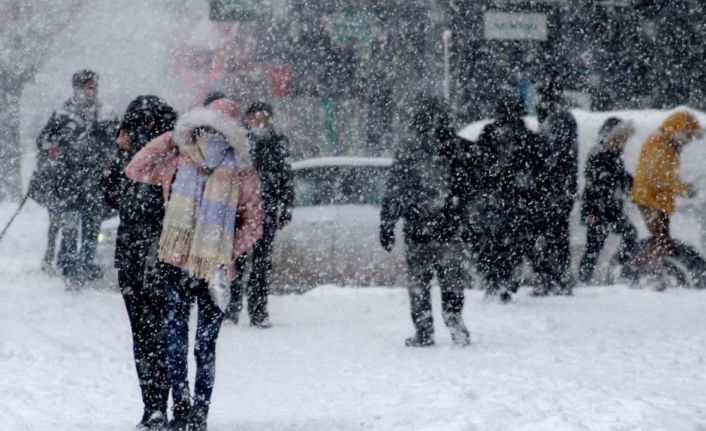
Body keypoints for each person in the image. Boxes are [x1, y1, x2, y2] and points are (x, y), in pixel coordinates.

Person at [126, 98, 264, 431]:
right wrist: (228, 251)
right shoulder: (230, 169)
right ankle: (196, 413)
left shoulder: (179, 161)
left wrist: (172, 138)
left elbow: (136, 166)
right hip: (206, 269)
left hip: (186, 265)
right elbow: (254, 223)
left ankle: (185, 410)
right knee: (203, 345)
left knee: (180, 342)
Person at [101, 95, 177, 430]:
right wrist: (118, 152)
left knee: (153, 335)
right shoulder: (135, 159)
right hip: (141, 257)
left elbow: (109, 196)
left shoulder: (172, 157)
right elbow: (107, 196)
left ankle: (159, 405)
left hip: (157, 255)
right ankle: (156, 405)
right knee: (151, 335)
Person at [380, 97, 473, 347]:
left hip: (418, 228)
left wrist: (387, 224)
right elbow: (471, 189)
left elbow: (395, 191)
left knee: (419, 283)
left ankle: (424, 329)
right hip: (450, 228)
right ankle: (454, 320)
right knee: (451, 280)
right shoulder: (458, 148)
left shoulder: (408, 151)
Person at [31, 69, 118, 283]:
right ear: (76, 88)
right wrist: (54, 147)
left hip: (94, 182)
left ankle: (85, 266)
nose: (91, 91)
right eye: (88, 86)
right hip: (66, 182)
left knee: (91, 229)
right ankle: (70, 267)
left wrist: (108, 159)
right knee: (69, 227)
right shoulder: (62, 114)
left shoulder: (106, 113)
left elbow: (117, 144)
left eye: (94, 86)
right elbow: (43, 141)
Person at [227, 102, 293, 328]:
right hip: (242, 211)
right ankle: (231, 308)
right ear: (247, 119)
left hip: (267, 209)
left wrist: (285, 209)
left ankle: (258, 311)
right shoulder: (239, 142)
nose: (261, 123)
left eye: (266, 118)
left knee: (262, 265)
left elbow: (286, 177)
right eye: (257, 118)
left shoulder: (278, 142)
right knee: (237, 260)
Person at [474, 93, 546, 302]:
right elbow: (540, 171)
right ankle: (507, 280)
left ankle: (493, 281)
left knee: (492, 243)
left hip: (494, 200)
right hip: (521, 200)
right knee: (514, 244)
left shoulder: (489, 134)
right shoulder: (528, 136)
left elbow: (477, 166)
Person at [629, 110, 702, 289]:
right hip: (650, 199)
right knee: (660, 240)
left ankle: (651, 272)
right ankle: (639, 270)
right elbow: (662, 176)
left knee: (662, 240)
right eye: (689, 136)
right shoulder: (658, 143)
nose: (689, 141)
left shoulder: (667, 143)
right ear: (679, 130)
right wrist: (684, 190)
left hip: (657, 199)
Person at [578, 118, 638, 284]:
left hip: (609, 209)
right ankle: (587, 278)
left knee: (625, 235)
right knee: (594, 247)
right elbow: (596, 185)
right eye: (623, 139)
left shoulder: (612, 155)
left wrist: (636, 185)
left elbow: (623, 180)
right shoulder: (599, 154)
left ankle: (615, 267)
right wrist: (591, 211)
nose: (625, 144)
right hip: (598, 210)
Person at [534, 80, 579, 295]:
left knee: (552, 234)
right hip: (559, 189)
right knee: (556, 234)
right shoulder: (561, 117)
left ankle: (553, 279)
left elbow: (551, 156)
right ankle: (556, 278)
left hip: (554, 190)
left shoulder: (556, 119)